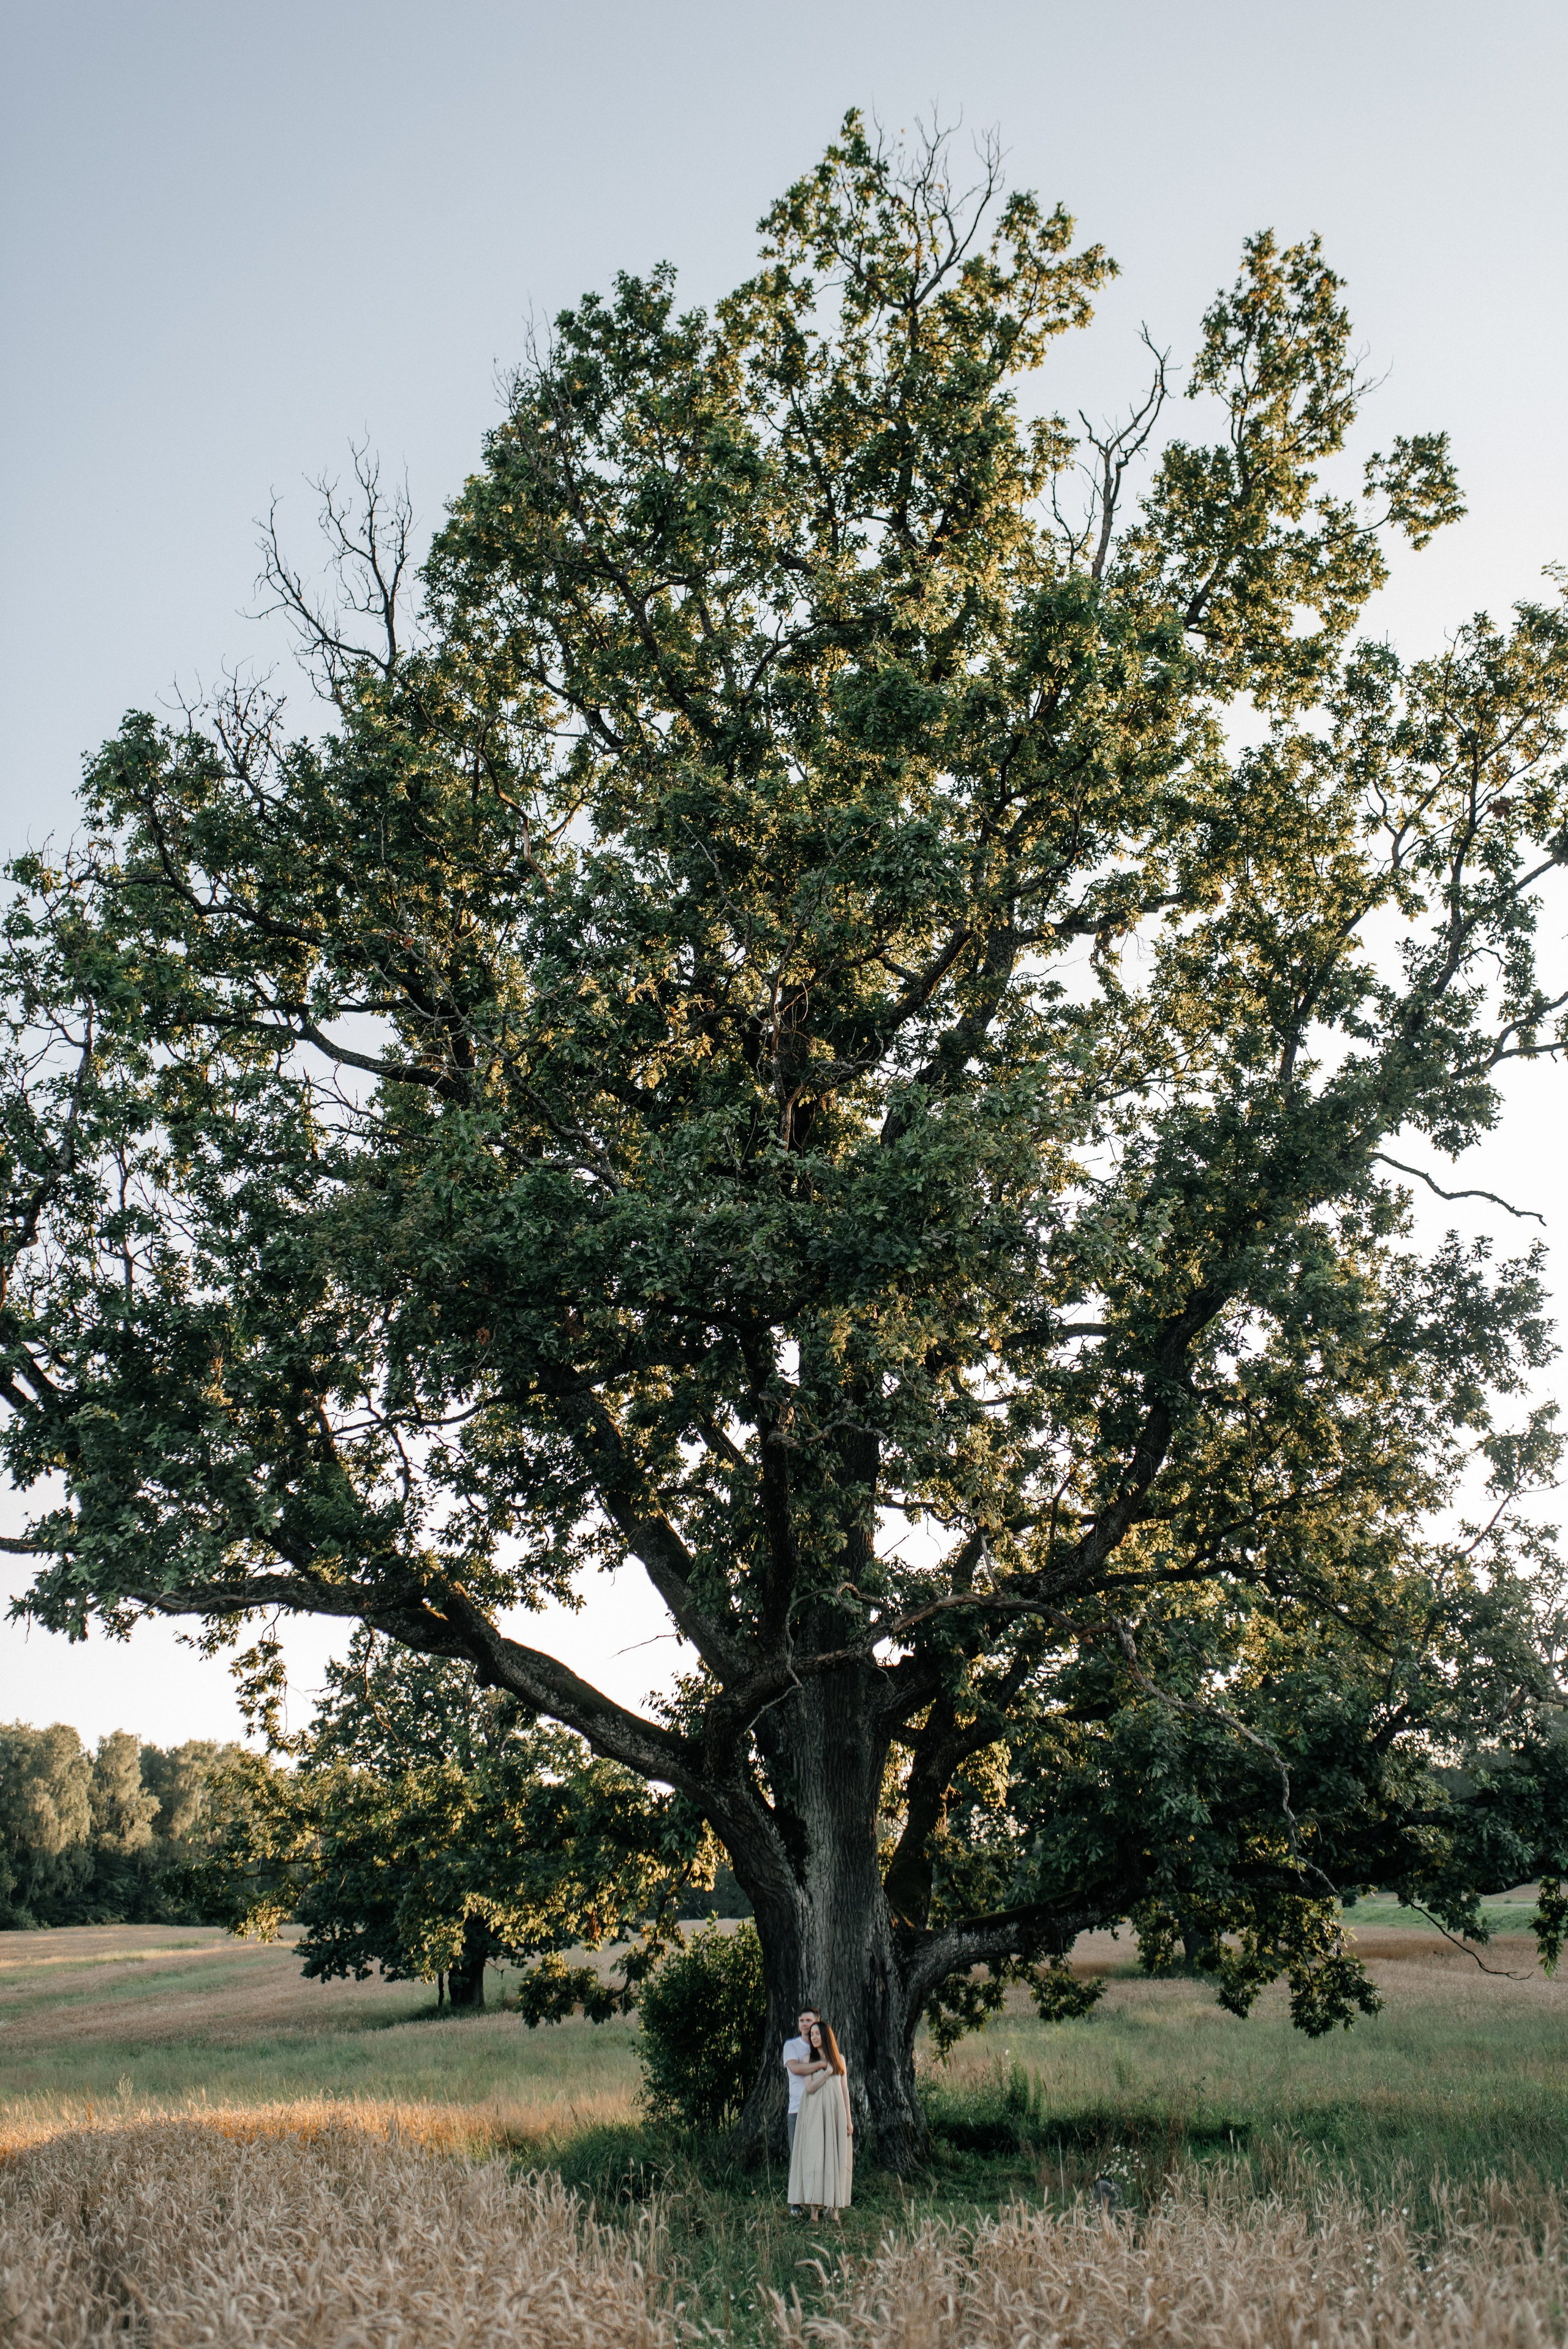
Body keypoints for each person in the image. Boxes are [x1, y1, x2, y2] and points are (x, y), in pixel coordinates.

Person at [786, 2016, 853, 2222]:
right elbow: (810, 2088)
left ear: (826, 2036)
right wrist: (826, 2073)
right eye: (812, 2034)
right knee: (815, 2159)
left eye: (817, 2033)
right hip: (814, 2114)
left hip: (835, 2114)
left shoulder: (839, 2059)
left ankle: (833, 2208)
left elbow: (844, 2090)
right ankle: (814, 2212)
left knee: (834, 2157)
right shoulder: (809, 2060)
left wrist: (849, 2120)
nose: (814, 2037)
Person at [781, 2006, 824, 2214]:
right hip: (797, 2108)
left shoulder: (820, 2046)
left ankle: (820, 2201)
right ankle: (795, 2204)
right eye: (802, 2021)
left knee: (818, 2155)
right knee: (796, 2155)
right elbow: (795, 2068)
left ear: (817, 2022)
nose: (805, 2025)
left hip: (818, 2108)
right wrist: (821, 2065)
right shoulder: (792, 2046)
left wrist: (824, 2063)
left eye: (809, 2021)